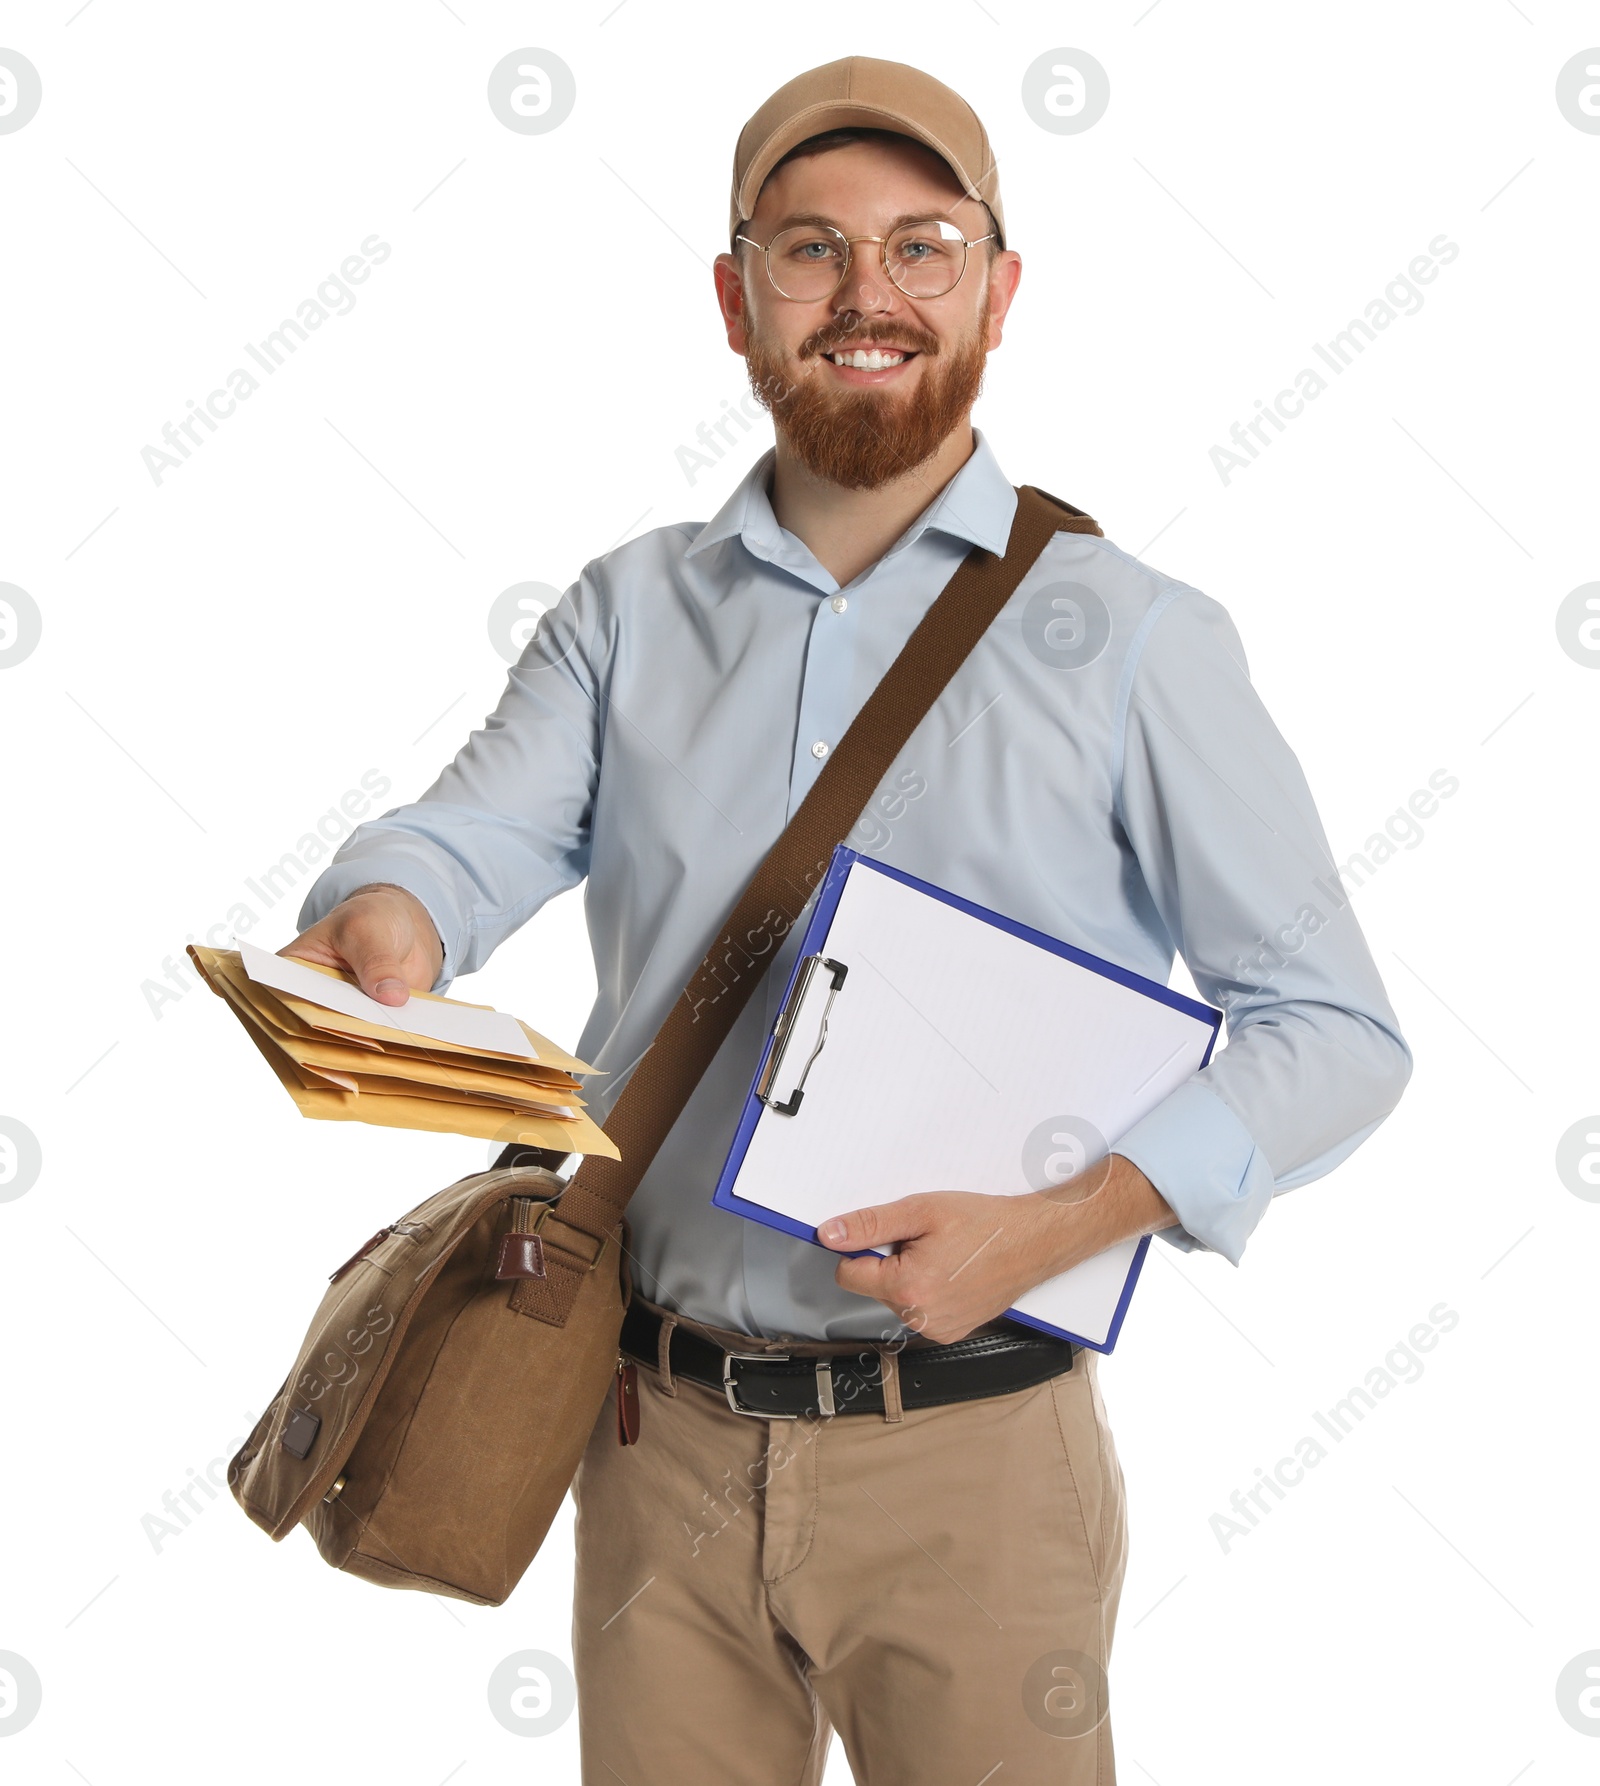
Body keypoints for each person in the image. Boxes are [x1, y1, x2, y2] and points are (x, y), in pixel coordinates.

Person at [286, 56, 1411, 1786]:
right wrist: (389, 918)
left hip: (970, 1459)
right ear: (736, 300)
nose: (867, 296)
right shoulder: (626, 611)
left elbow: (1333, 1031)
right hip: (646, 1431)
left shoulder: (1135, 640)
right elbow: (465, 836)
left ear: (998, 292)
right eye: (810, 251)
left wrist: (1062, 1222)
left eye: (923, 246)